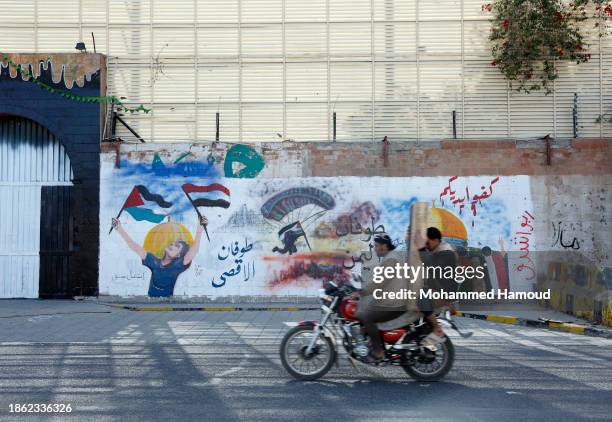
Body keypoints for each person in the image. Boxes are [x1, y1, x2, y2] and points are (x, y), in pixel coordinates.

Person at [111, 215, 208, 297]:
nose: (172, 245)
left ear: (179, 255)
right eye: (173, 243)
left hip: (167, 302)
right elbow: (135, 246)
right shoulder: (153, 261)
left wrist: (199, 229)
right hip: (150, 301)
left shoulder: (177, 266)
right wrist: (119, 228)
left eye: (177, 246)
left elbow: (193, 251)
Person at [356, 234, 408, 363]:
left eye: (377, 246)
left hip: (396, 302)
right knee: (367, 310)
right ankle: (372, 344)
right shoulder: (391, 257)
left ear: (384, 246)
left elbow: (381, 282)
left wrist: (362, 291)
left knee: (367, 316)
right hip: (392, 299)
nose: (375, 249)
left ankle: (378, 352)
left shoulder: (391, 259)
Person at [417, 226, 459, 349]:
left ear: (435, 240)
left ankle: (437, 328)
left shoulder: (445, 252)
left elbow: (432, 268)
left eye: (427, 242)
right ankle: (427, 345)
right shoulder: (438, 251)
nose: (426, 245)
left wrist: (421, 249)